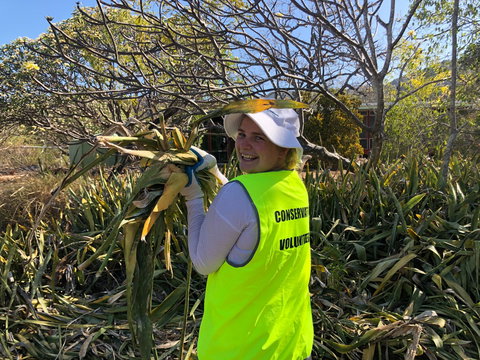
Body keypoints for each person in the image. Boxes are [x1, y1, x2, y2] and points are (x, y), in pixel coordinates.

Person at [181, 107, 313, 360]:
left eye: (259, 137)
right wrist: (216, 175)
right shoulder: (295, 186)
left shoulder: (238, 194)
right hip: (292, 344)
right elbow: (249, 213)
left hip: (241, 349)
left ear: (283, 149)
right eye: (242, 134)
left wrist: (193, 198)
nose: (244, 145)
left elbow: (202, 263)